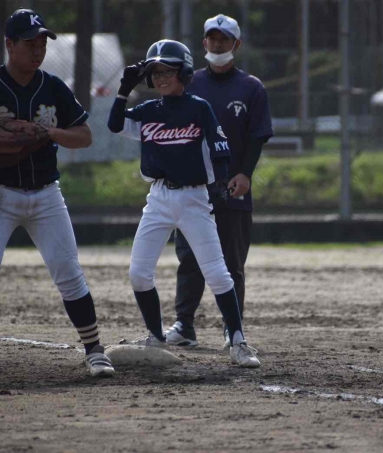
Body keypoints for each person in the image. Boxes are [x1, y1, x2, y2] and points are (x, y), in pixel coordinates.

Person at [0, 8, 114, 380]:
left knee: (69, 274)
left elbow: (84, 136)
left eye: (42, 42)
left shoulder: (53, 86)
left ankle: (95, 352)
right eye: (30, 43)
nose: (38, 49)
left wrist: (49, 133)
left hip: (46, 196)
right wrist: (0, 146)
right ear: (10, 44)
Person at [107, 39, 260, 368]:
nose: (161, 78)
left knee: (217, 273)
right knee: (138, 274)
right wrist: (123, 90)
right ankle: (155, 336)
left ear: (185, 73)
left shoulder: (198, 107)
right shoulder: (149, 111)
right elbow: (115, 124)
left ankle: (238, 341)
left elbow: (220, 149)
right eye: (155, 73)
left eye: (168, 71)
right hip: (158, 198)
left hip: (193, 198)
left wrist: (220, 184)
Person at [164, 14, 273, 349]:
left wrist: (245, 173)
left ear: (236, 44)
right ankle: (184, 324)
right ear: (204, 42)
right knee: (190, 258)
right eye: (212, 38)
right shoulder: (189, 83)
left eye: (224, 39)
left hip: (232, 186)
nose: (217, 44)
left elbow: (257, 136)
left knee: (231, 262)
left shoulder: (251, 87)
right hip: (193, 187)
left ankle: (232, 328)